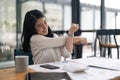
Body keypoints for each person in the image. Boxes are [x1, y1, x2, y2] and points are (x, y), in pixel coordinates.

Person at [21, 9, 88, 64]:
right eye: (40, 25)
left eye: (45, 22)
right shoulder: (34, 39)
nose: (45, 27)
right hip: (40, 75)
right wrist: (79, 38)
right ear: (32, 28)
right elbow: (59, 41)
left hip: (56, 73)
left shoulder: (54, 36)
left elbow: (67, 53)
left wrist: (71, 34)